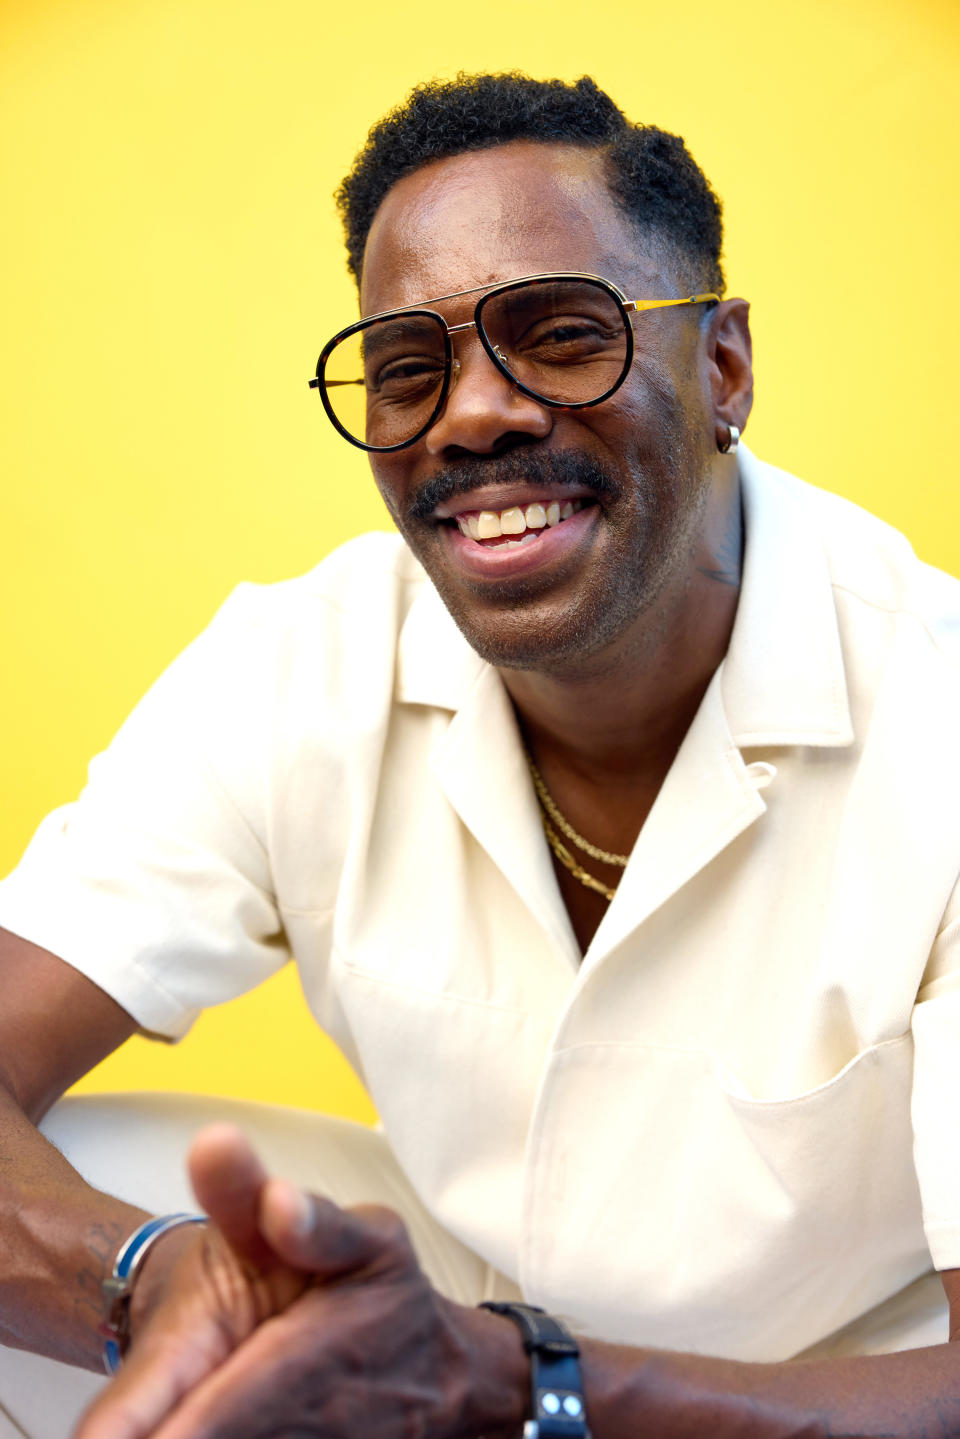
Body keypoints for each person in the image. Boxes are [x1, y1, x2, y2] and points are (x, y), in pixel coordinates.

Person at [1, 70, 960, 1438]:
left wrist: (521, 1390)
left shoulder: (941, 713)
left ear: (725, 365)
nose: (471, 415)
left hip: (835, 1385)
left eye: (562, 337)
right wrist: (149, 1282)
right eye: (409, 369)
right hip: (464, 1311)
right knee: (75, 1197)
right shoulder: (301, 665)